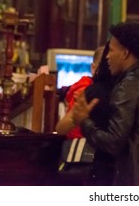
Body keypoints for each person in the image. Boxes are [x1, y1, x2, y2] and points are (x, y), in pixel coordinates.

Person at [72, 21, 139, 186]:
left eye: (111, 50)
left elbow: (113, 143)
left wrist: (84, 122)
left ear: (125, 52)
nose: (107, 56)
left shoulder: (128, 86)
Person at [55, 44, 116, 186]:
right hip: (90, 160)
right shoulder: (89, 90)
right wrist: (80, 119)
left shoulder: (88, 88)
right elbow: (62, 127)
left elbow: (60, 128)